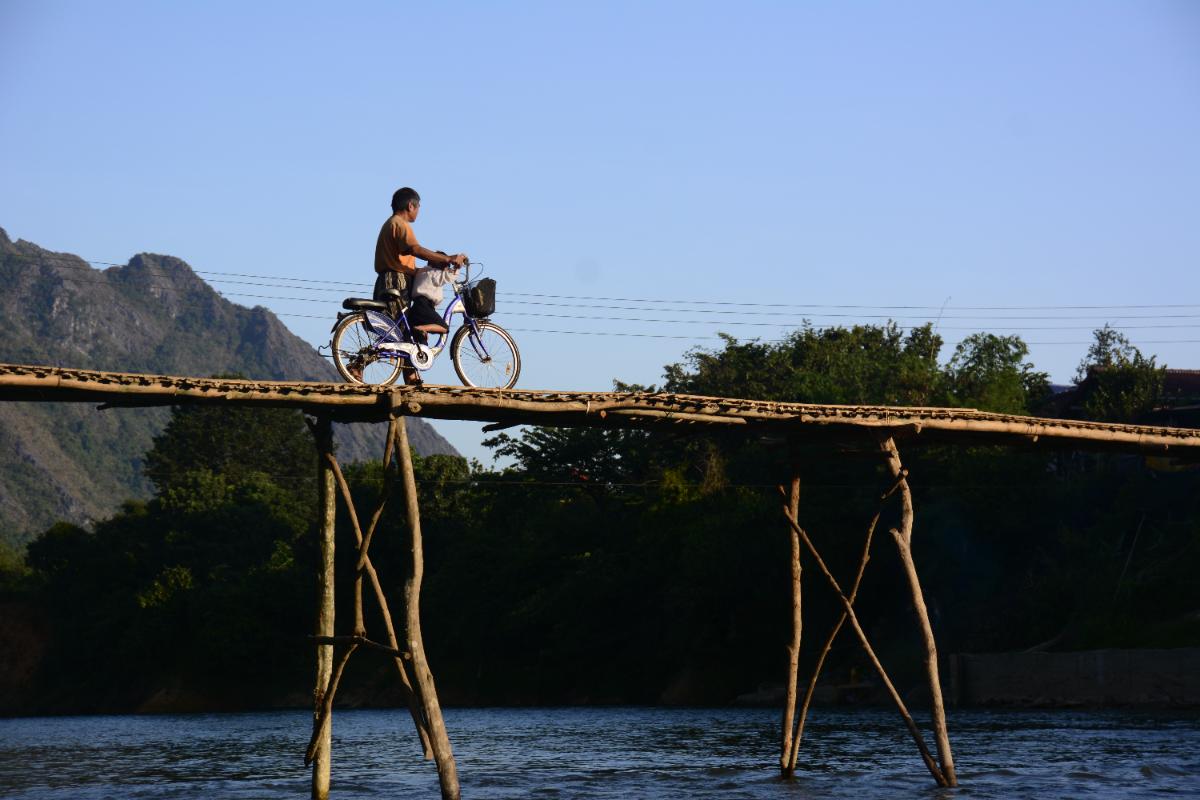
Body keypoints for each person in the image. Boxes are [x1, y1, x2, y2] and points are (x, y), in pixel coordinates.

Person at [373, 187, 468, 382]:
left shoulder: (390, 224)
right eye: (418, 208)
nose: (418, 212)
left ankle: (410, 373)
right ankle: (357, 365)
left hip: (389, 278)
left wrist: (434, 265)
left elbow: (406, 260)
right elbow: (414, 249)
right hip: (395, 280)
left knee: (402, 329)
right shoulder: (400, 224)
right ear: (411, 205)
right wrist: (448, 258)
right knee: (395, 329)